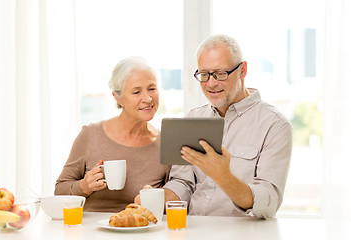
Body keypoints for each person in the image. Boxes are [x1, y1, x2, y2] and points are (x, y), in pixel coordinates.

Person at [136, 34, 292, 219]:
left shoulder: (274, 125)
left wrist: (224, 177)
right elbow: (183, 183)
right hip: (192, 230)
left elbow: (269, 203)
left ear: (243, 70)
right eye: (204, 74)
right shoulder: (193, 118)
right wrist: (156, 199)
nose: (211, 83)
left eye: (220, 73)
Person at [55, 56, 171, 212]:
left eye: (152, 88)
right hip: (92, 234)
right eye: (136, 92)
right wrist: (84, 186)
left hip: (142, 231)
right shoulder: (90, 135)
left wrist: (156, 198)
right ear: (118, 98)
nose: (148, 98)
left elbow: (175, 200)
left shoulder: (166, 144)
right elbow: (59, 191)